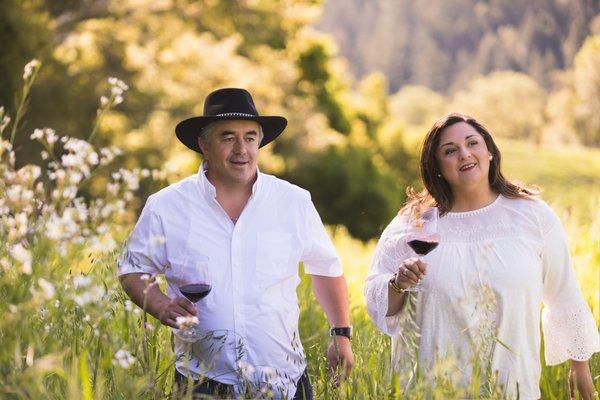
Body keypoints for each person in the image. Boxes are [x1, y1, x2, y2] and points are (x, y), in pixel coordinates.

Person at [118, 88, 354, 399]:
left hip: (283, 380)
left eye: (250, 137)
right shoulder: (166, 206)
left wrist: (341, 335)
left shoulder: (293, 201)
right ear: (204, 145)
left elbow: (326, 269)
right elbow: (133, 270)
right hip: (202, 381)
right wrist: (161, 305)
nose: (241, 149)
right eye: (228, 137)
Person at [364, 113, 599, 399]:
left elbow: (564, 293)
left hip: (511, 388)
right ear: (437, 166)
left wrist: (579, 364)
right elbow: (378, 304)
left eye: (472, 143)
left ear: (489, 151)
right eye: (450, 150)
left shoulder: (532, 216)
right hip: (430, 389)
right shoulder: (412, 223)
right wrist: (397, 284)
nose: (464, 154)